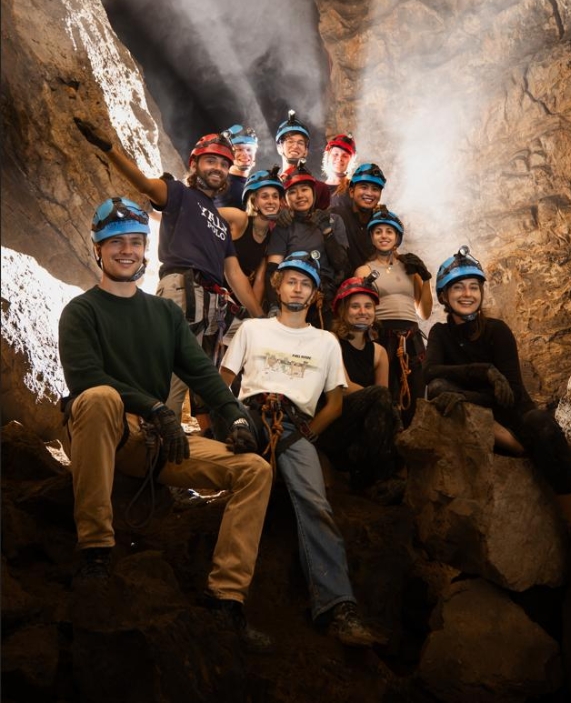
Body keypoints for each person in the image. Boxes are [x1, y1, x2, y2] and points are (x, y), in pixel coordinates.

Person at [58, 197, 273, 650]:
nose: (127, 251)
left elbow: (201, 373)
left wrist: (235, 415)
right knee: (97, 399)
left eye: (135, 242)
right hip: (110, 433)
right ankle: (96, 550)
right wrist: (155, 407)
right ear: (98, 248)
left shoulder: (164, 314)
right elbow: (86, 378)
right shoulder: (81, 311)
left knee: (255, 470)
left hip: (160, 443)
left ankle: (226, 600)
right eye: (116, 242)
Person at [219, 251, 384, 646]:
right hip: (252, 412)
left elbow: (336, 402)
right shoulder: (252, 330)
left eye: (306, 283)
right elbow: (221, 380)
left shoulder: (325, 342)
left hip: (295, 424)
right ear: (278, 285)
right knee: (243, 482)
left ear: (314, 295)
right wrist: (229, 422)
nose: (298, 288)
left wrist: (308, 435)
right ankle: (226, 602)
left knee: (316, 502)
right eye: (291, 280)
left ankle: (338, 608)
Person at [424, 245, 571, 585]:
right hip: (483, 425)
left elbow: (512, 396)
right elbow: (430, 374)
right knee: (442, 390)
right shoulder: (441, 334)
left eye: (473, 286)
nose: (467, 293)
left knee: (542, 427)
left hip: (514, 416)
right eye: (458, 287)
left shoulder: (498, 331)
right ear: (445, 296)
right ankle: (523, 447)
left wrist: (464, 390)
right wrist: (483, 370)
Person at [74, 118, 264, 421]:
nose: (217, 167)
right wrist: (109, 148)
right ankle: (157, 440)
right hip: (183, 289)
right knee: (174, 374)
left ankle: (197, 442)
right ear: (196, 164)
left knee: (204, 377)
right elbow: (145, 184)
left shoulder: (220, 224)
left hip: (212, 300)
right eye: (210, 160)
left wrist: (261, 318)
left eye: (223, 164)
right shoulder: (179, 194)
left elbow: (235, 274)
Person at [316, 275, 405, 503]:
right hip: (335, 423)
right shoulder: (330, 341)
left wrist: (388, 412)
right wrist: (382, 402)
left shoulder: (379, 352)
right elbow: (343, 387)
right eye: (355, 306)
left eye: (368, 306)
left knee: (385, 409)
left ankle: (372, 480)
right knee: (382, 398)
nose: (362, 311)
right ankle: (384, 477)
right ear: (343, 311)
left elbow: (381, 403)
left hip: (363, 428)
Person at [355, 207, 433, 428]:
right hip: (381, 336)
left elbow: (424, 313)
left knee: (416, 394)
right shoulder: (363, 271)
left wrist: (425, 278)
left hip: (412, 337)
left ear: (397, 237)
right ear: (371, 237)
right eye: (378, 231)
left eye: (389, 232)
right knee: (386, 395)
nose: (383, 236)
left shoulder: (410, 269)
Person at [266, 161, 350, 329]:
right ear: (286, 199)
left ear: (313, 192)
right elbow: (272, 269)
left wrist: (327, 232)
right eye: (292, 192)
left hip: (324, 300)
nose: (300, 196)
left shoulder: (334, 221)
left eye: (304, 190)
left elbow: (342, 264)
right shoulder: (284, 227)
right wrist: (274, 305)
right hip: (291, 298)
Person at [217, 166, 284, 310]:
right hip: (214, 289)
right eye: (264, 196)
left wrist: (252, 315)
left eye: (275, 196)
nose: (271, 201)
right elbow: (202, 211)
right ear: (254, 202)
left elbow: (259, 280)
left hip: (238, 299)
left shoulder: (270, 238)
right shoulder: (240, 219)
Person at [330, 163, 387, 271]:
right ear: (351, 191)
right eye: (364, 187)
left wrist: (404, 260)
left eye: (375, 189)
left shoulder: (380, 222)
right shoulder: (336, 216)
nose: (369, 193)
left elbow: (388, 253)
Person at [275, 109, 330, 210]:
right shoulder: (272, 187)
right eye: (290, 141)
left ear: (306, 151)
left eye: (300, 143)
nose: (295, 146)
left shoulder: (320, 189)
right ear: (279, 147)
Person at [214, 124, 259, 210]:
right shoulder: (222, 184)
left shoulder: (250, 185)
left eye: (249, 150)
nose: (245, 154)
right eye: (239, 149)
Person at [321, 133, 357, 204]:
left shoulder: (354, 189)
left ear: (350, 162)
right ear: (328, 157)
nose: (340, 158)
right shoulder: (317, 189)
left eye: (345, 156)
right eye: (336, 154)